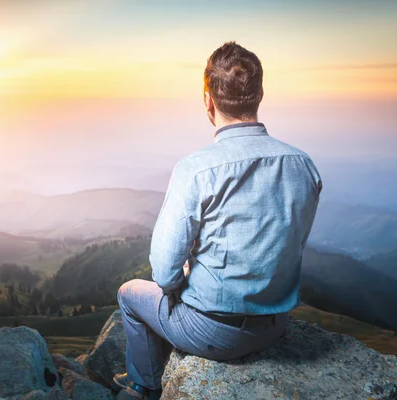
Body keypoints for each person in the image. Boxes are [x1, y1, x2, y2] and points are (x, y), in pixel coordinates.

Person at [114, 42, 322, 400]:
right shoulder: (303, 165)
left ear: (208, 100)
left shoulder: (196, 170)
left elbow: (164, 272)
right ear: (259, 95)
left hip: (215, 333)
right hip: (275, 324)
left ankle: (144, 387)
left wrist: (185, 285)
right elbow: (291, 246)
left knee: (129, 294)